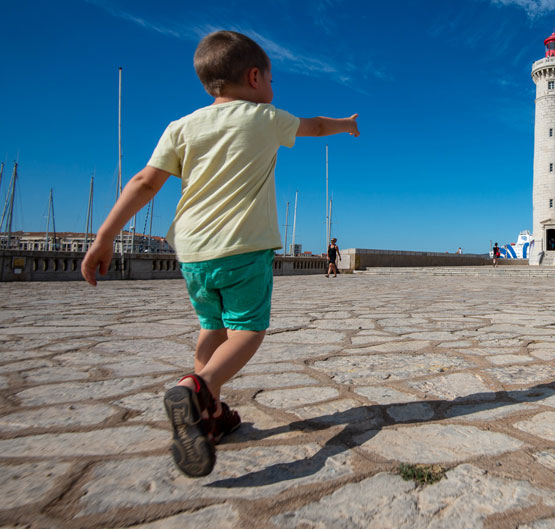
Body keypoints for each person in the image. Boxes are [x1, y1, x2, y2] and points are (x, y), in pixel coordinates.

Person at [81, 30, 360, 478]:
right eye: (272, 79)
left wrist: (105, 236)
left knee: (211, 324)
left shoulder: (181, 127)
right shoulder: (264, 116)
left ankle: (209, 416)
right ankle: (200, 388)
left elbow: (144, 182)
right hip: (243, 247)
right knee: (248, 331)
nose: (274, 89)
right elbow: (316, 126)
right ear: (254, 78)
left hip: (191, 254)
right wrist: (346, 124)